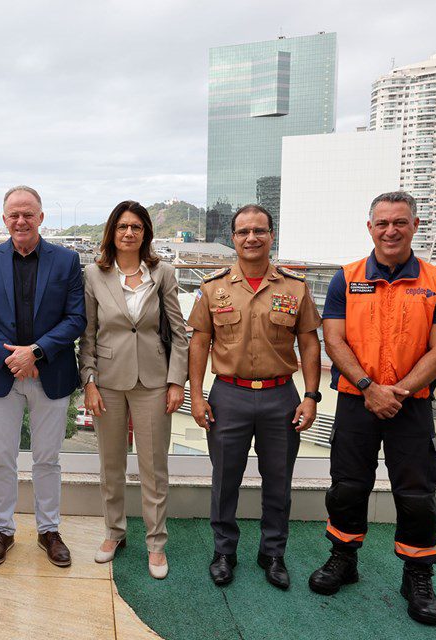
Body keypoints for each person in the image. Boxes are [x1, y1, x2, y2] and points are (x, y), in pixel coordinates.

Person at [308, 191, 436, 626]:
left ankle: (417, 575)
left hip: (410, 407)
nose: (390, 230)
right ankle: (343, 559)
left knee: (416, 495)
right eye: (382, 223)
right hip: (357, 400)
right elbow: (333, 340)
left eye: (399, 222)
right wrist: (368, 386)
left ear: (414, 225)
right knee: (347, 486)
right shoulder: (347, 278)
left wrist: (397, 392)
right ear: (369, 227)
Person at [187, 204, 322, 590]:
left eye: (259, 231)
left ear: (270, 235)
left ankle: (273, 553)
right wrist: (196, 396)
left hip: (282, 397)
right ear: (233, 238)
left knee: (278, 481)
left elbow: (310, 344)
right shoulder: (213, 288)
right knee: (225, 479)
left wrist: (310, 397)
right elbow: (199, 344)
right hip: (229, 396)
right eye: (243, 231)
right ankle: (224, 551)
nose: (251, 238)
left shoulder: (294, 287)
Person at [0, 185, 87, 568]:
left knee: (47, 459)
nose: (21, 221)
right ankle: (2, 530)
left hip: (49, 373)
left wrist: (35, 352)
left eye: (28, 214)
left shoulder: (67, 261)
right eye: (14, 215)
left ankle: (49, 530)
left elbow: (76, 318)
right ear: (4, 219)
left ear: (41, 217)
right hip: (2, 374)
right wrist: (15, 357)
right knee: (2, 458)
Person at [78, 201, 188, 579]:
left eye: (136, 227)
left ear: (146, 234)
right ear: (112, 232)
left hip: (154, 382)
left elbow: (179, 332)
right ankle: (114, 533)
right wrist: (89, 382)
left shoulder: (164, 273)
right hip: (107, 382)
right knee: (111, 465)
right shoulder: (94, 273)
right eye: (123, 226)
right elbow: (88, 335)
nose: (129, 233)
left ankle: (156, 544)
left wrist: (176, 382)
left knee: (153, 467)